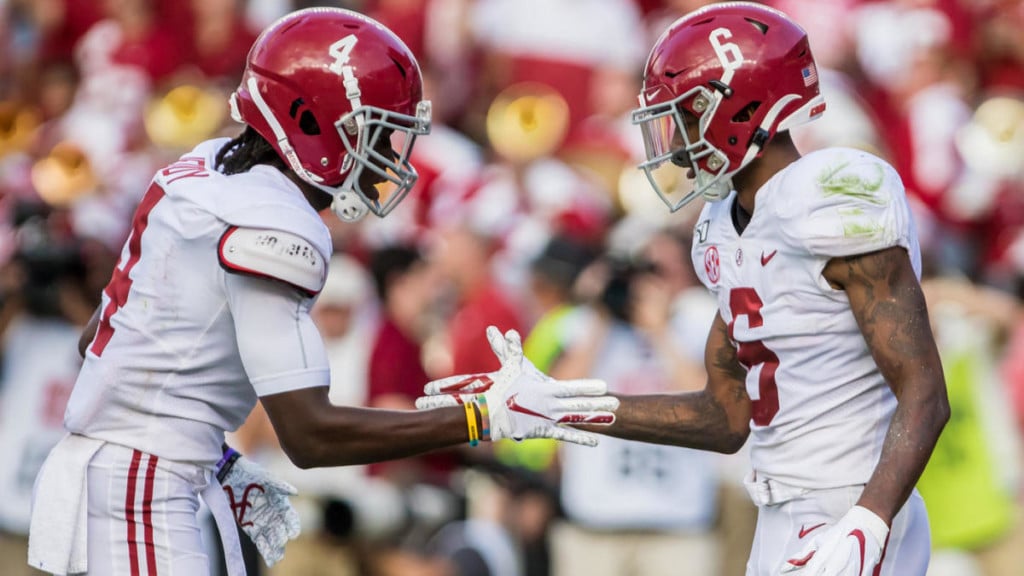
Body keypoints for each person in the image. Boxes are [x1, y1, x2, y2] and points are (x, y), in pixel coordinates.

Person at [25, 8, 618, 576]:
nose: (387, 157)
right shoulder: (274, 221)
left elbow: (99, 342)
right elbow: (310, 433)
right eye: (374, 133)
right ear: (310, 122)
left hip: (122, 472)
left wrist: (216, 455)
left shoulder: (202, 170)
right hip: (141, 491)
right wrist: (484, 416)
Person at [418, 4, 950, 576]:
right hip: (778, 511)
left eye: (687, 115)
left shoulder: (834, 194)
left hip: (856, 503)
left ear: (741, 107)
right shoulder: (722, 226)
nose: (675, 139)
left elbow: (924, 393)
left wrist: (869, 521)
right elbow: (721, 418)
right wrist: (559, 406)